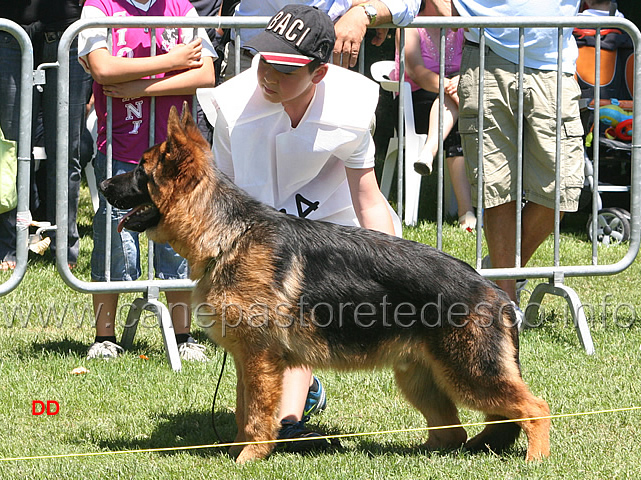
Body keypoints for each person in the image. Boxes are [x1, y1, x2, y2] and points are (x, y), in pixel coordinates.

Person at [197, 4, 401, 448]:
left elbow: (367, 198)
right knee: (263, 317)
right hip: (256, 209)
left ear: (319, 72)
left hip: (329, 217)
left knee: (301, 307)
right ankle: (290, 406)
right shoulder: (231, 107)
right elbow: (225, 192)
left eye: (286, 70)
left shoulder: (352, 109)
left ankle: (288, 421)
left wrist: (393, 263)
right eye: (264, 61)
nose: (268, 75)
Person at [426, 0, 585, 318]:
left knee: (564, 187)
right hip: (485, 53)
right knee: (496, 186)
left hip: (554, 60)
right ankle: (505, 310)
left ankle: (494, 278)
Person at [78, 0, 217, 360]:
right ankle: (104, 337)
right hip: (120, 148)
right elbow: (103, 68)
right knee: (113, 241)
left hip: (172, 156)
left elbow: (205, 74)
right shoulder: (100, 7)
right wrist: (172, 62)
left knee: (176, 243)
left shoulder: (181, 7)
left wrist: (141, 88)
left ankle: (184, 336)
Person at [391, 1, 475, 230]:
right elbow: (416, 72)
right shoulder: (409, 25)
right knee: (458, 115)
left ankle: (429, 150)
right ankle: (466, 212)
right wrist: (451, 86)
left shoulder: (461, 27)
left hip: (456, 100)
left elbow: (473, 64)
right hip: (415, 102)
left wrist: (460, 83)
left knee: (459, 116)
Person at [221, 0, 421, 80]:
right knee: (242, 163)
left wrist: (365, 13)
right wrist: (361, 6)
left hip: (322, 70)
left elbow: (408, 2)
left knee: (333, 164)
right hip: (253, 64)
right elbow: (304, 8)